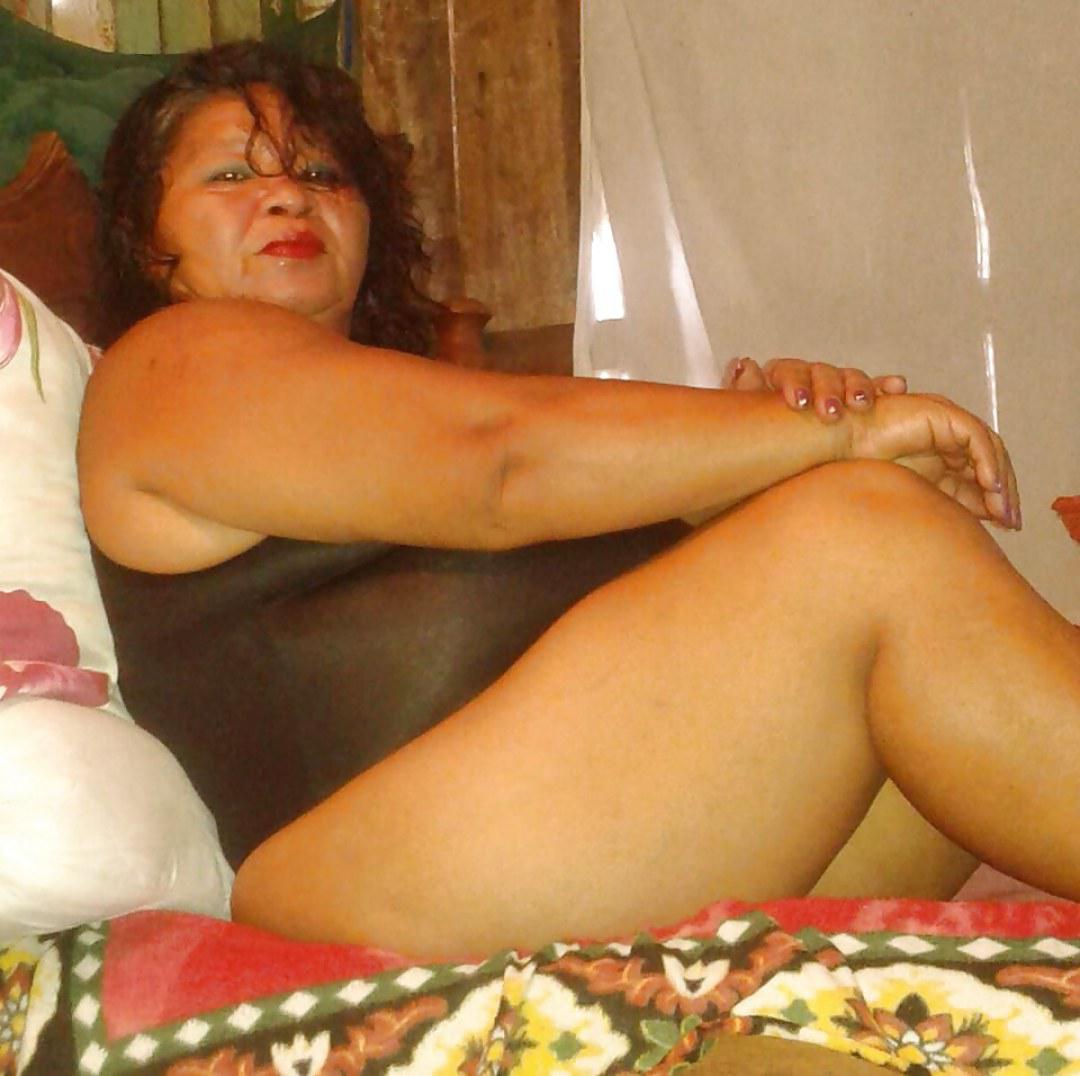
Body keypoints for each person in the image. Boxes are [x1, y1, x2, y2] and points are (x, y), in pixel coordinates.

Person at [79, 41, 1079, 962]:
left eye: (320, 173)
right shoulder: (171, 360)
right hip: (372, 884)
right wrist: (832, 438)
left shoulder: (393, 397)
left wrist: (769, 463)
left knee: (924, 622)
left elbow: (572, 583)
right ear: (148, 240)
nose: (287, 197)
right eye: (232, 175)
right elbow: (497, 463)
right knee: (864, 538)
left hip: (552, 835)